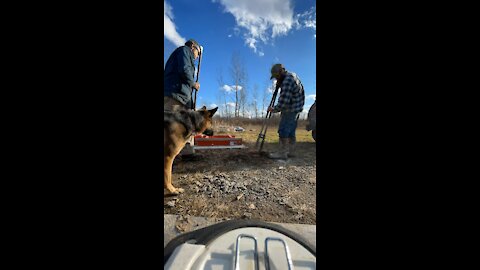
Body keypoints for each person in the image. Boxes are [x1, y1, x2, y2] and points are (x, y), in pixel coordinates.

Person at [164, 39, 202, 156]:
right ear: (192, 47)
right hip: (174, 95)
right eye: (197, 53)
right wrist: (193, 83)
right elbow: (184, 70)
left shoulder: (188, 56)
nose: (197, 56)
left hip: (182, 98)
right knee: (169, 128)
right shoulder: (184, 51)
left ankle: (187, 152)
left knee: (184, 126)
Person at [267, 64, 305, 159]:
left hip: (290, 109)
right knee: (291, 132)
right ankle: (291, 152)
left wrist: (273, 109)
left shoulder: (287, 80)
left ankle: (282, 153)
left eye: (276, 76)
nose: (276, 79)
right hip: (296, 109)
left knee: (283, 130)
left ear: (281, 72)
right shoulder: (292, 75)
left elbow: (283, 103)